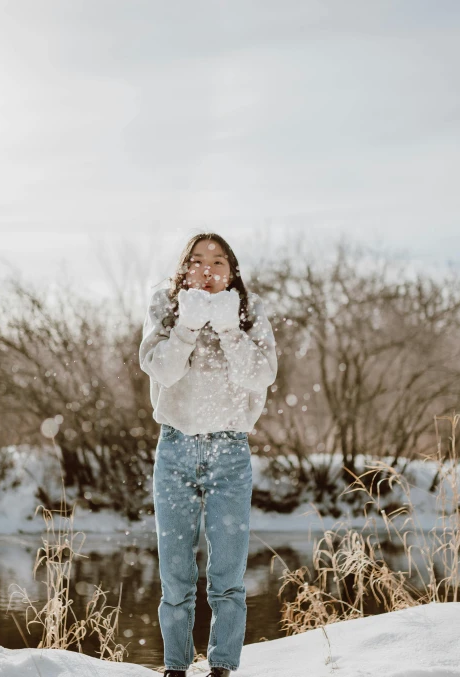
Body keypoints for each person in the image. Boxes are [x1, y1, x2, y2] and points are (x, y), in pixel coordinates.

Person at [139, 232, 277, 677]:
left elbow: (261, 377)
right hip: (176, 447)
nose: (207, 269)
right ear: (185, 268)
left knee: (228, 575)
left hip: (230, 453)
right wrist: (186, 325)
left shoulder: (250, 312)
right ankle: (175, 667)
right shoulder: (166, 305)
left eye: (218, 262)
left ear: (231, 271)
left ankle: (222, 666)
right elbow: (159, 367)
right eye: (197, 261)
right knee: (176, 574)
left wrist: (228, 329)